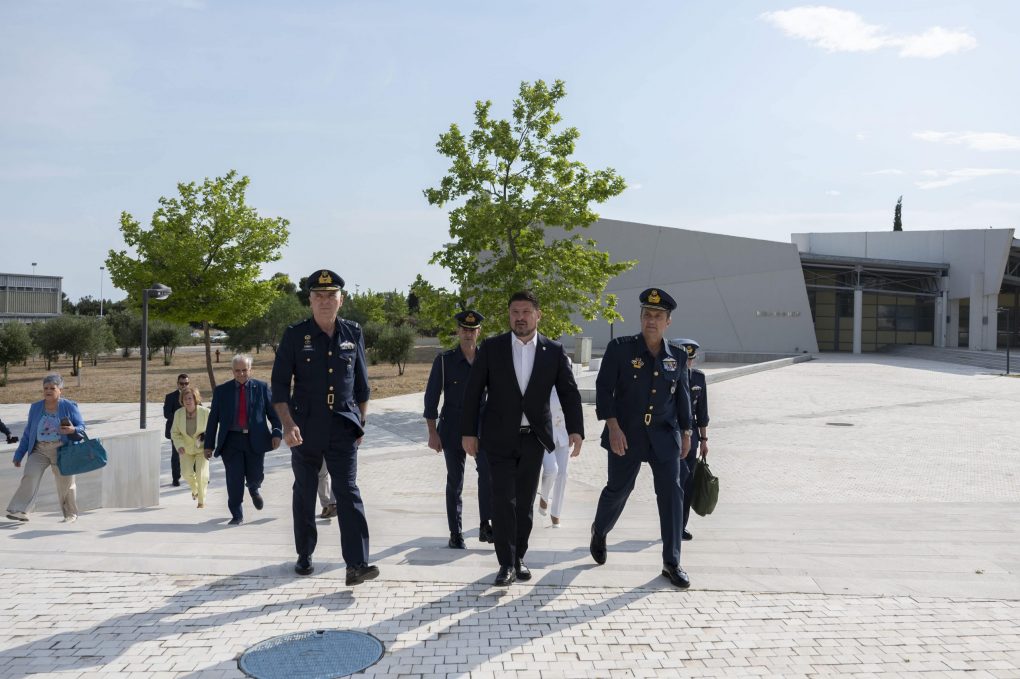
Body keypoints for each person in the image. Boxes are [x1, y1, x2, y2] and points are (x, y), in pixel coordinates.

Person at [462, 290, 584, 587]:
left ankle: (519, 557)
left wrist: (576, 430)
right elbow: (473, 392)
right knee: (503, 500)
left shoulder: (553, 351)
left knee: (525, 503)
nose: (520, 318)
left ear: (538, 315)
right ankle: (505, 563)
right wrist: (468, 432)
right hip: (498, 438)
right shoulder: (492, 348)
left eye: (526, 312)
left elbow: (569, 392)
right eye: (515, 312)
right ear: (509, 315)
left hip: (534, 440)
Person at [271, 269, 378, 586]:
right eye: (319, 296)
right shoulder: (295, 335)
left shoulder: (352, 332)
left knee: (348, 492)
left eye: (331, 295)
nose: (325, 301)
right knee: (305, 492)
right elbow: (279, 387)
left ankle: (356, 564)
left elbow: (362, 384)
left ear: (341, 300)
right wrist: (288, 425)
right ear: (310, 300)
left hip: (343, 426)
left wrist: (361, 421)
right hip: (304, 428)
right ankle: (305, 554)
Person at [589, 288, 694, 589]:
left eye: (658, 316)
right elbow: (604, 388)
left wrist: (687, 432)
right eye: (647, 314)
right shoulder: (620, 349)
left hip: (664, 436)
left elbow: (683, 397)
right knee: (619, 489)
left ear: (668, 322)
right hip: (626, 433)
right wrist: (613, 427)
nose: (651, 320)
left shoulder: (677, 355)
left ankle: (671, 562)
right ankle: (600, 530)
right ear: (640, 317)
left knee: (672, 494)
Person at [423, 309, 494, 549]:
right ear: (458, 331)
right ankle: (456, 533)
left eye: (472, 330)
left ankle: (485, 524)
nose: (468, 333)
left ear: (479, 332)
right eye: (464, 329)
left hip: (482, 428)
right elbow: (431, 398)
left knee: (488, 474)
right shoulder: (444, 361)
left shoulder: (488, 360)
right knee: (455, 481)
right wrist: (432, 433)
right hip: (452, 428)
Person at [203, 354, 282, 526]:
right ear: (232, 371)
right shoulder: (221, 391)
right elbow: (213, 420)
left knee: (255, 474)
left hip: (255, 439)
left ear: (250, 369)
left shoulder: (261, 388)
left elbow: (273, 414)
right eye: (237, 371)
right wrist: (208, 445)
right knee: (234, 479)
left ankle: (253, 488)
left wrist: (276, 433)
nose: (241, 374)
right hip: (231, 441)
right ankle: (237, 514)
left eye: (244, 370)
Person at [5, 374, 85, 523]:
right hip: (39, 450)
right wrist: (19, 454)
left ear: (60, 390)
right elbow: (28, 433)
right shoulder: (36, 407)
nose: (48, 391)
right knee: (30, 476)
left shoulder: (69, 406)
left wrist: (73, 429)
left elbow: (81, 426)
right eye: (45, 388)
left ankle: (70, 514)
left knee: (66, 484)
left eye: (52, 388)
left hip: (62, 450)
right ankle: (21, 510)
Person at [676, 339, 710, 541]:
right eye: (685, 360)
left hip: (693, 439)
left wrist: (704, 439)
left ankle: (681, 525)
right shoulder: (669, 377)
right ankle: (671, 525)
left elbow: (702, 412)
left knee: (687, 483)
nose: (688, 364)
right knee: (674, 483)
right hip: (672, 436)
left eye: (690, 360)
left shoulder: (699, 378)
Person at [537, 366, 576, 528]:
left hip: (563, 434)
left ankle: (556, 514)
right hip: (546, 434)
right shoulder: (543, 381)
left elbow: (573, 408)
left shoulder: (569, 385)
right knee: (551, 470)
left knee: (563, 474)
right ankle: (544, 496)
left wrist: (574, 431)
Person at [170, 385, 211, 509]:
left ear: (195, 399)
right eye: (185, 399)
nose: (187, 401)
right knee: (186, 473)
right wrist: (179, 445)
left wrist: (208, 441)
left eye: (190, 398)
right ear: (182, 400)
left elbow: (214, 429)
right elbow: (175, 433)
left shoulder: (205, 412)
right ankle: (195, 489)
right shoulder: (178, 414)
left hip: (202, 448)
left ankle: (201, 502)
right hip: (186, 449)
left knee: (201, 474)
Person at [163, 373, 190, 486]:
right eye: (181, 383)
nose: (184, 386)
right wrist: (180, 418)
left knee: (195, 453)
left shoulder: (193, 395)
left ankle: (197, 476)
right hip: (176, 431)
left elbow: (199, 408)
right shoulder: (170, 397)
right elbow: (166, 414)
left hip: (190, 430)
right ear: (177, 384)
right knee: (176, 455)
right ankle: (176, 478)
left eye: (186, 383)